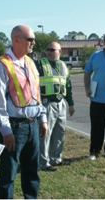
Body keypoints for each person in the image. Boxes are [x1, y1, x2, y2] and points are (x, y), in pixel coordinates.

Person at [0, 25, 48, 199]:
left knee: (31, 172)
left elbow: (36, 93)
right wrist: (6, 131)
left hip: (33, 125)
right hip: (14, 128)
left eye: (33, 39)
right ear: (16, 40)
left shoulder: (29, 62)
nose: (33, 43)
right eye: (30, 39)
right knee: (9, 174)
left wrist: (42, 118)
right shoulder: (1, 65)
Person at [35, 42, 75, 172]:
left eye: (52, 50)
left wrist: (71, 103)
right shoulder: (40, 64)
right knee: (45, 134)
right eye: (48, 50)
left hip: (61, 103)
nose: (49, 52)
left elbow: (67, 85)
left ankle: (56, 158)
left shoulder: (63, 65)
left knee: (60, 132)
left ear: (60, 51)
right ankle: (43, 162)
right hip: (47, 103)